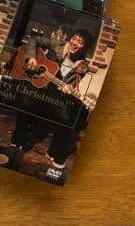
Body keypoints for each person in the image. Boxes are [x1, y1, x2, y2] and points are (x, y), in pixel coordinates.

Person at [10, 27, 94, 169]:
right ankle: (18, 140)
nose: (74, 43)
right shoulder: (57, 45)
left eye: (80, 42)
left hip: (55, 91)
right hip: (38, 83)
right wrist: (31, 57)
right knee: (25, 101)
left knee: (67, 116)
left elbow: (71, 84)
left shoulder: (82, 66)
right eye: (73, 38)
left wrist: (66, 89)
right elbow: (33, 39)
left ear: (84, 46)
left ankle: (54, 152)